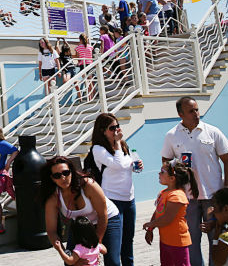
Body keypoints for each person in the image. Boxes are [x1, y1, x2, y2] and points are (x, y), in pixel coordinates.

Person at [161, 96, 228, 266]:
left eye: (196, 109)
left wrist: (227, 190)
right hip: (187, 198)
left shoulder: (213, 131)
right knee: (191, 239)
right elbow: (165, 162)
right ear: (181, 114)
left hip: (213, 196)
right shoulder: (172, 135)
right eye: (191, 111)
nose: (196, 114)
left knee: (215, 237)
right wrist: (175, 169)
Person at [41, 156, 121, 266]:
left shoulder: (88, 184)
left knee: (112, 261)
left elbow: (103, 215)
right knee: (71, 264)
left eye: (66, 172)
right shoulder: (53, 198)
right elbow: (51, 231)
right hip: (81, 226)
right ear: (52, 178)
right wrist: (66, 254)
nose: (63, 177)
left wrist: (94, 248)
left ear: (72, 172)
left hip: (107, 219)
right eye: (57, 175)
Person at [90, 113, 143, 266]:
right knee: (114, 246)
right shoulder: (98, 149)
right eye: (112, 128)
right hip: (113, 202)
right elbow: (118, 164)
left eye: (117, 126)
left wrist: (135, 166)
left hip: (129, 199)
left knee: (128, 240)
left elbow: (125, 166)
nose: (116, 130)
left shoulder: (123, 145)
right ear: (103, 131)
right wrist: (118, 144)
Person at [143, 160, 198, 266]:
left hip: (178, 242)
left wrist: (151, 224)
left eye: (162, 172)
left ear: (172, 178)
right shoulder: (163, 193)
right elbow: (158, 212)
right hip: (165, 240)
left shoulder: (177, 195)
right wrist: (150, 229)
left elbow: (167, 218)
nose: (159, 173)